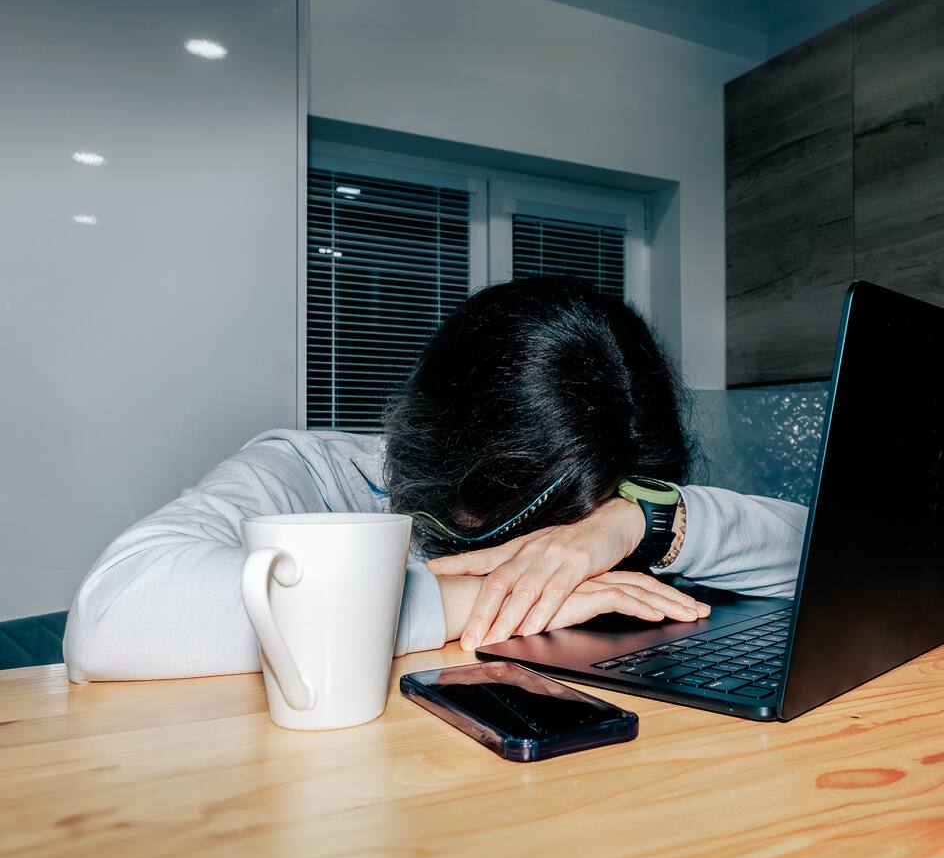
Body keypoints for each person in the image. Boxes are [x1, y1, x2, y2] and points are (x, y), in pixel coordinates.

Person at [64, 276, 808, 682]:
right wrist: (489, 596)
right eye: (524, 541)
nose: (543, 562)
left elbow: (819, 552)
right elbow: (113, 617)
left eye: (561, 549)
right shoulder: (307, 473)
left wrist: (635, 522)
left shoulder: (617, 501)